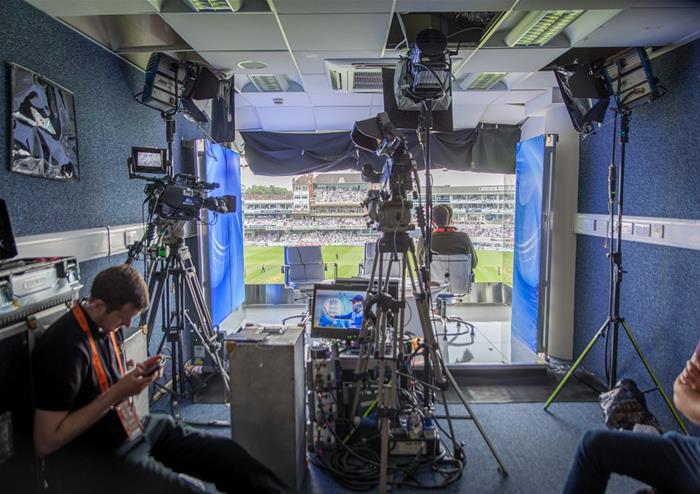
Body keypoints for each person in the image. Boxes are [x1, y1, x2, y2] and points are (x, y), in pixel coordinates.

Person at [32, 264, 288, 494]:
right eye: (123, 317)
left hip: (132, 428)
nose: (128, 324)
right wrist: (119, 391)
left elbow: (100, 384)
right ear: (98, 305)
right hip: (98, 455)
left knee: (230, 457)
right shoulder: (64, 348)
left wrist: (134, 376)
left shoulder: (106, 324)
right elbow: (46, 442)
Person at [562, 341, 700, 493]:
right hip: (693, 450)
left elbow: (685, 395)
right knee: (592, 445)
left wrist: (691, 400)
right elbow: (680, 390)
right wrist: (691, 400)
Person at [417, 204, 478, 269]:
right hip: (458, 278)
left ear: (432, 221)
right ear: (449, 219)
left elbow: (420, 262)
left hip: (432, 278)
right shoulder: (463, 238)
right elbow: (473, 263)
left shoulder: (425, 238)